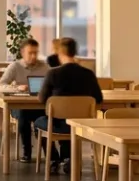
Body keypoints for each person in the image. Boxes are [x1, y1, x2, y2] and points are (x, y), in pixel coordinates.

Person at [35, 37, 103, 171]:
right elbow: (98, 98)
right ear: (74, 52)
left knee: (39, 123)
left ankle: (53, 159)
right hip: (82, 124)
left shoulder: (53, 73)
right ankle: (68, 158)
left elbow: (42, 99)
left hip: (58, 125)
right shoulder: (88, 74)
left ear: (60, 54)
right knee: (69, 120)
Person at [0, 38, 50, 163]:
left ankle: (49, 153)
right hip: (19, 104)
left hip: (39, 105)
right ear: (22, 53)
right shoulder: (15, 66)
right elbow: (0, 86)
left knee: (46, 118)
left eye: (35, 53)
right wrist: (17, 88)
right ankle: (27, 150)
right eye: (30, 53)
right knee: (23, 115)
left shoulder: (45, 67)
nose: (33, 56)